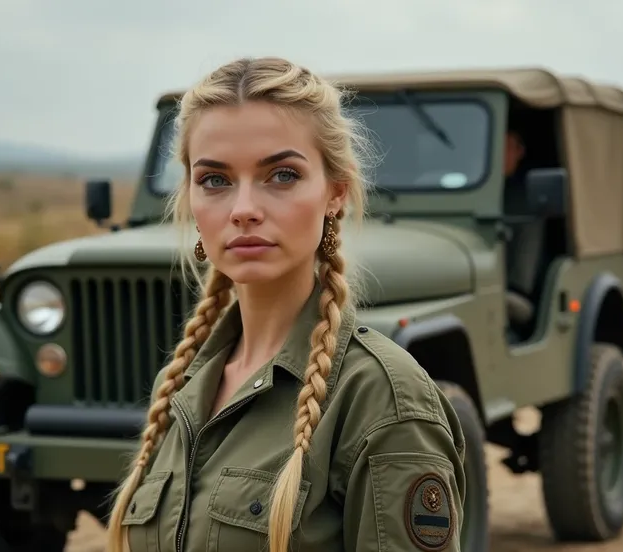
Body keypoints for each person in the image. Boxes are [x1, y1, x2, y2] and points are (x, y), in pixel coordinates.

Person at [106, 57, 467, 552]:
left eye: (281, 175)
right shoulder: (187, 383)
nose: (244, 209)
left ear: (335, 194)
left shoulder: (380, 399)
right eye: (215, 180)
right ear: (189, 196)